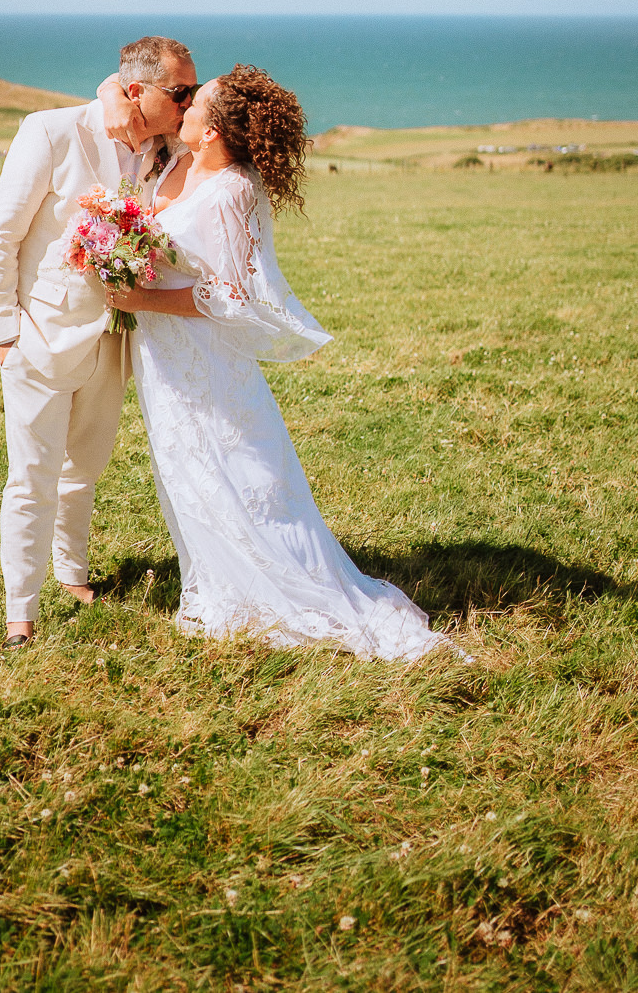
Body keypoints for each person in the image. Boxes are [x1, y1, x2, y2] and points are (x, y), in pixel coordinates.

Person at [102, 65, 452, 659]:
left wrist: (141, 298)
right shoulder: (175, 160)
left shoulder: (235, 190)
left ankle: (272, 590)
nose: (181, 107)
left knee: (237, 467)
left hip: (205, 353)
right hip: (164, 353)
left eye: (193, 104)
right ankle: (212, 585)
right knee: (185, 469)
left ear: (211, 131)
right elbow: (121, 84)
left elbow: (233, 294)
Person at [0, 35, 199, 649]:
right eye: (178, 91)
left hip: (116, 339)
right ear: (136, 90)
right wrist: (5, 334)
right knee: (32, 476)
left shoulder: (167, 146)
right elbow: (0, 235)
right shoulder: (51, 132)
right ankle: (19, 611)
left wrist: (133, 102)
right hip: (39, 335)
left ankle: (71, 572)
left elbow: (214, 133)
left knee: (86, 467)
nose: (188, 101)